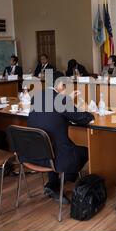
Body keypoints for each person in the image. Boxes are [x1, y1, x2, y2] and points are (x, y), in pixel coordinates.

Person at [27, 71, 94, 204]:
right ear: (59, 84)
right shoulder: (61, 100)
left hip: (37, 152)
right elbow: (81, 118)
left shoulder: (36, 97)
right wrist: (91, 114)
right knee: (85, 152)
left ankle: (54, 182)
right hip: (57, 154)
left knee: (52, 145)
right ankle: (61, 180)